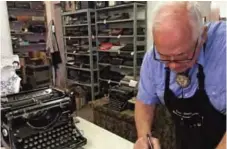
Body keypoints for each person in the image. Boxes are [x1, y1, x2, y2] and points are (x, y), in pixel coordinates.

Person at [134, 1, 226, 149]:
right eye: (164, 56)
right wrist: (145, 139)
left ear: (202, 36)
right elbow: (145, 102)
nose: (173, 66)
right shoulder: (152, 57)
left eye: (182, 56)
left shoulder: (223, 48)